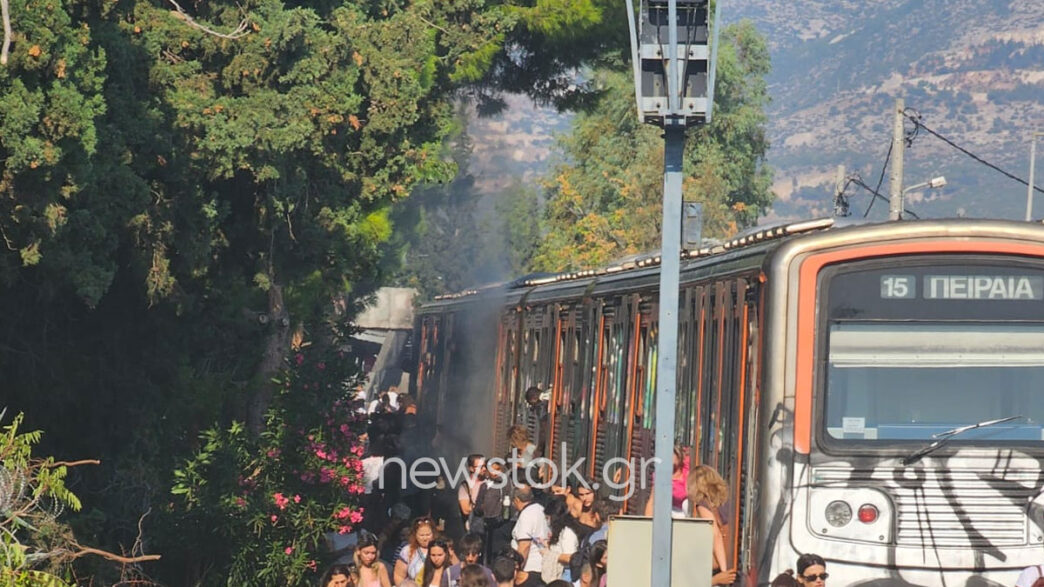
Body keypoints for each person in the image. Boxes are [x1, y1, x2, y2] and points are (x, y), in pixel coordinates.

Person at [687, 465, 733, 579]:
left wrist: (723, 571)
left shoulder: (703, 505)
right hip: (733, 557)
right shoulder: (727, 500)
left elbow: (715, 535)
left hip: (718, 564)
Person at [511, 485, 549, 583]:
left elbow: (525, 545)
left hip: (529, 569)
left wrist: (518, 570)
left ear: (517, 500)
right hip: (541, 566)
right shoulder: (540, 509)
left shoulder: (526, 515)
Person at [642, 445, 690, 518]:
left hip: (689, 512)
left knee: (686, 504)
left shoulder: (687, 470)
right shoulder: (660, 475)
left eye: (671, 454)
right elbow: (652, 499)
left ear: (679, 456)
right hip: (671, 512)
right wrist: (647, 522)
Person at [541, 497, 580, 582]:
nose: (547, 521)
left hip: (566, 575)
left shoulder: (567, 533)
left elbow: (570, 558)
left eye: (548, 518)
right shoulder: (559, 530)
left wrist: (549, 554)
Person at [394, 516, 436, 585]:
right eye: (421, 535)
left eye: (428, 535)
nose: (425, 538)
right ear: (415, 535)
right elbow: (399, 576)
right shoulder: (407, 550)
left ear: (433, 534)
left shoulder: (440, 549)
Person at [459, 454, 486, 532]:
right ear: (471, 468)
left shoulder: (490, 483)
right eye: (480, 467)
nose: (484, 469)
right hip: (474, 527)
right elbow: (465, 509)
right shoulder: (465, 486)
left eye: (485, 466)